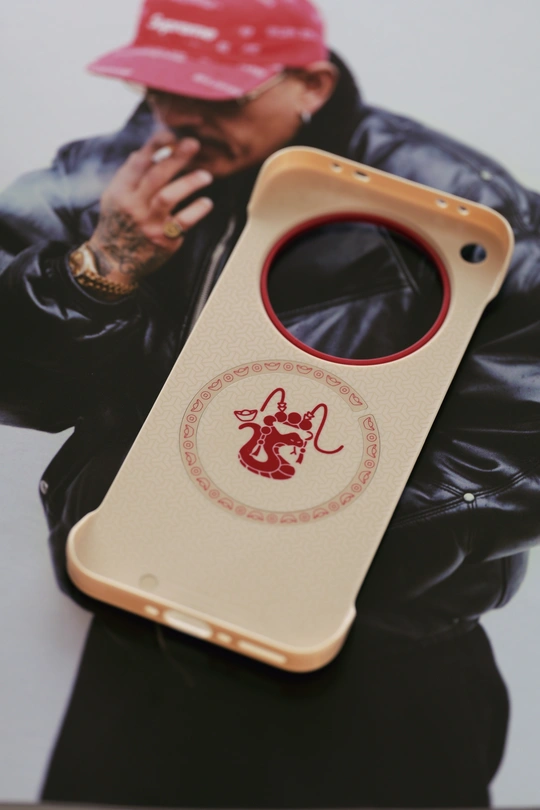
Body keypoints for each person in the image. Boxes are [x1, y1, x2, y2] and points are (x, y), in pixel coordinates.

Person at [1, 0, 539, 806]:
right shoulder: (108, 175)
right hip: (143, 638)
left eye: (216, 96)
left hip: (369, 663)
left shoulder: (458, 200)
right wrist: (102, 267)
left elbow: (518, 442)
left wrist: (309, 549)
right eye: (158, 88)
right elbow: (19, 385)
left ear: (311, 84)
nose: (179, 118)